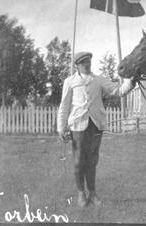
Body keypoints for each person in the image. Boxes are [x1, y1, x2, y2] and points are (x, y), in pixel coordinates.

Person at [57, 52, 135, 207]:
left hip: (95, 125)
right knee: (79, 161)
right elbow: (64, 106)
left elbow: (117, 91)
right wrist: (61, 127)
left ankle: (92, 193)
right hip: (78, 125)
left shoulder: (98, 80)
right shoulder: (70, 81)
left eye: (88, 61)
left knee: (92, 160)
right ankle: (81, 193)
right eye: (83, 62)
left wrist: (130, 82)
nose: (87, 64)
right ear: (77, 65)